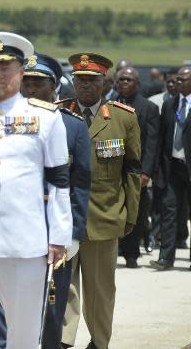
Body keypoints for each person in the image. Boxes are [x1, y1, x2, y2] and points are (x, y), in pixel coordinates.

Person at [0, 32, 71, 349]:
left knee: (22, 334)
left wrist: (59, 235)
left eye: (5, 67)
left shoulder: (45, 117)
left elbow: (59, 180)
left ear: (21, 71)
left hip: (23, 241)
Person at [0, 52, 92, 349]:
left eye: (39, 83)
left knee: (52, 303)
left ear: (55, 87)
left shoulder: (73, 126)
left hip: (55, 229)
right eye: (27, 82)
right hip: (15, 226)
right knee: (7, 304)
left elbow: (79, 183)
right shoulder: (4, 121)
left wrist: (73, 233)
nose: (31, 89)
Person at [60, 53, 141, 349]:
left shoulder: (123, 118)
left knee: (101, 290)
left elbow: (132, 170)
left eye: (91, 80)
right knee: (63, 285)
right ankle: (63, 339)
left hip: (103, 218)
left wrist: (130, 215)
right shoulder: (59, 114)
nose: (84, 85)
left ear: (104, 83)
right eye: (79, 79)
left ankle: (99, 340)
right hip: (65, 218)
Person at [115, 67, 160, 268]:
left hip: (136, 169)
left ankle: (131, 253)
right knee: (113, 208)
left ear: (137, 84)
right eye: (121, 79)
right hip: (112, 167)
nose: (124, 82)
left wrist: (147, 172)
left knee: (136, 212)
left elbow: (152, 142)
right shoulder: (108, 105)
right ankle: (115, 248)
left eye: (128, 79)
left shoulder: (148, 108)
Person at [151, 66, 191, 270]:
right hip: (172, 167)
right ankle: (166, 257)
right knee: (169, 211)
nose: (179, 83)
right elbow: (160, 138)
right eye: (178, 79)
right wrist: (155, 166)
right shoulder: (169, 105)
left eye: (184, 79)